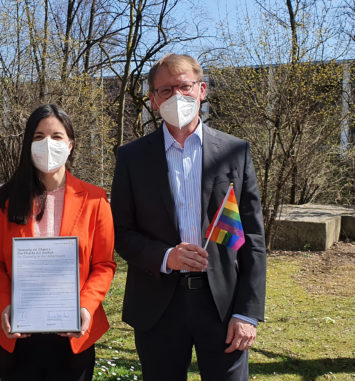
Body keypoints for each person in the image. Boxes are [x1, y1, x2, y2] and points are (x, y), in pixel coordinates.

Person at [110, 53, 266, 380]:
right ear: (152, 100)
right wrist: (168, 256)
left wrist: (247, 313)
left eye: (184, 86)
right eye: (165, 90)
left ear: (202, 90)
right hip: (158, 306)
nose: (177, 96)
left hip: (224, 306)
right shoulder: (131, 158)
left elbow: (252, 238)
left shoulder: (235, 152)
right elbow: (121, 233)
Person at [0, 104, 116, 381]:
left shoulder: (95, 199)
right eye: (38, 136)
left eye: (56, 136)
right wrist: (7, 305)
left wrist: (86, 307)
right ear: (28, 144)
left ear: (70, 145)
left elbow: (104, 265)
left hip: (74, 331)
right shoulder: (4, 200)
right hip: (18, 331)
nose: (48, 143)